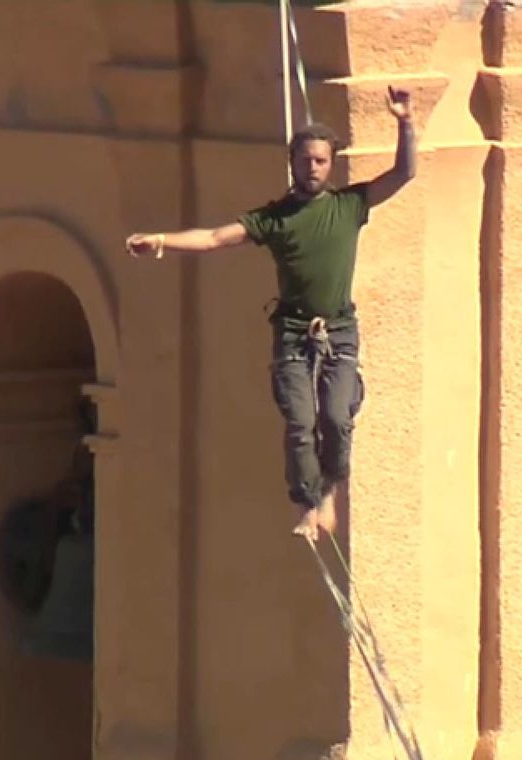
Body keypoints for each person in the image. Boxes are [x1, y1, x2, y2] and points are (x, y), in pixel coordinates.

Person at [125, 87, 416, 540]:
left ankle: (328, 493)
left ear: (331, 164)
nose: (313, 168)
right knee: (300, 422)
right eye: (305, 161)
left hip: (338, 332)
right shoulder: (275, 218)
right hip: (295, 334)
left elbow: (403, 174)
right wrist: (161, 241)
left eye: (320, 161)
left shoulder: (348, 206)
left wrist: (405, 121)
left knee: (337, 418)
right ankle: (308, 502)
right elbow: (216, 238)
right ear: (293, 162)